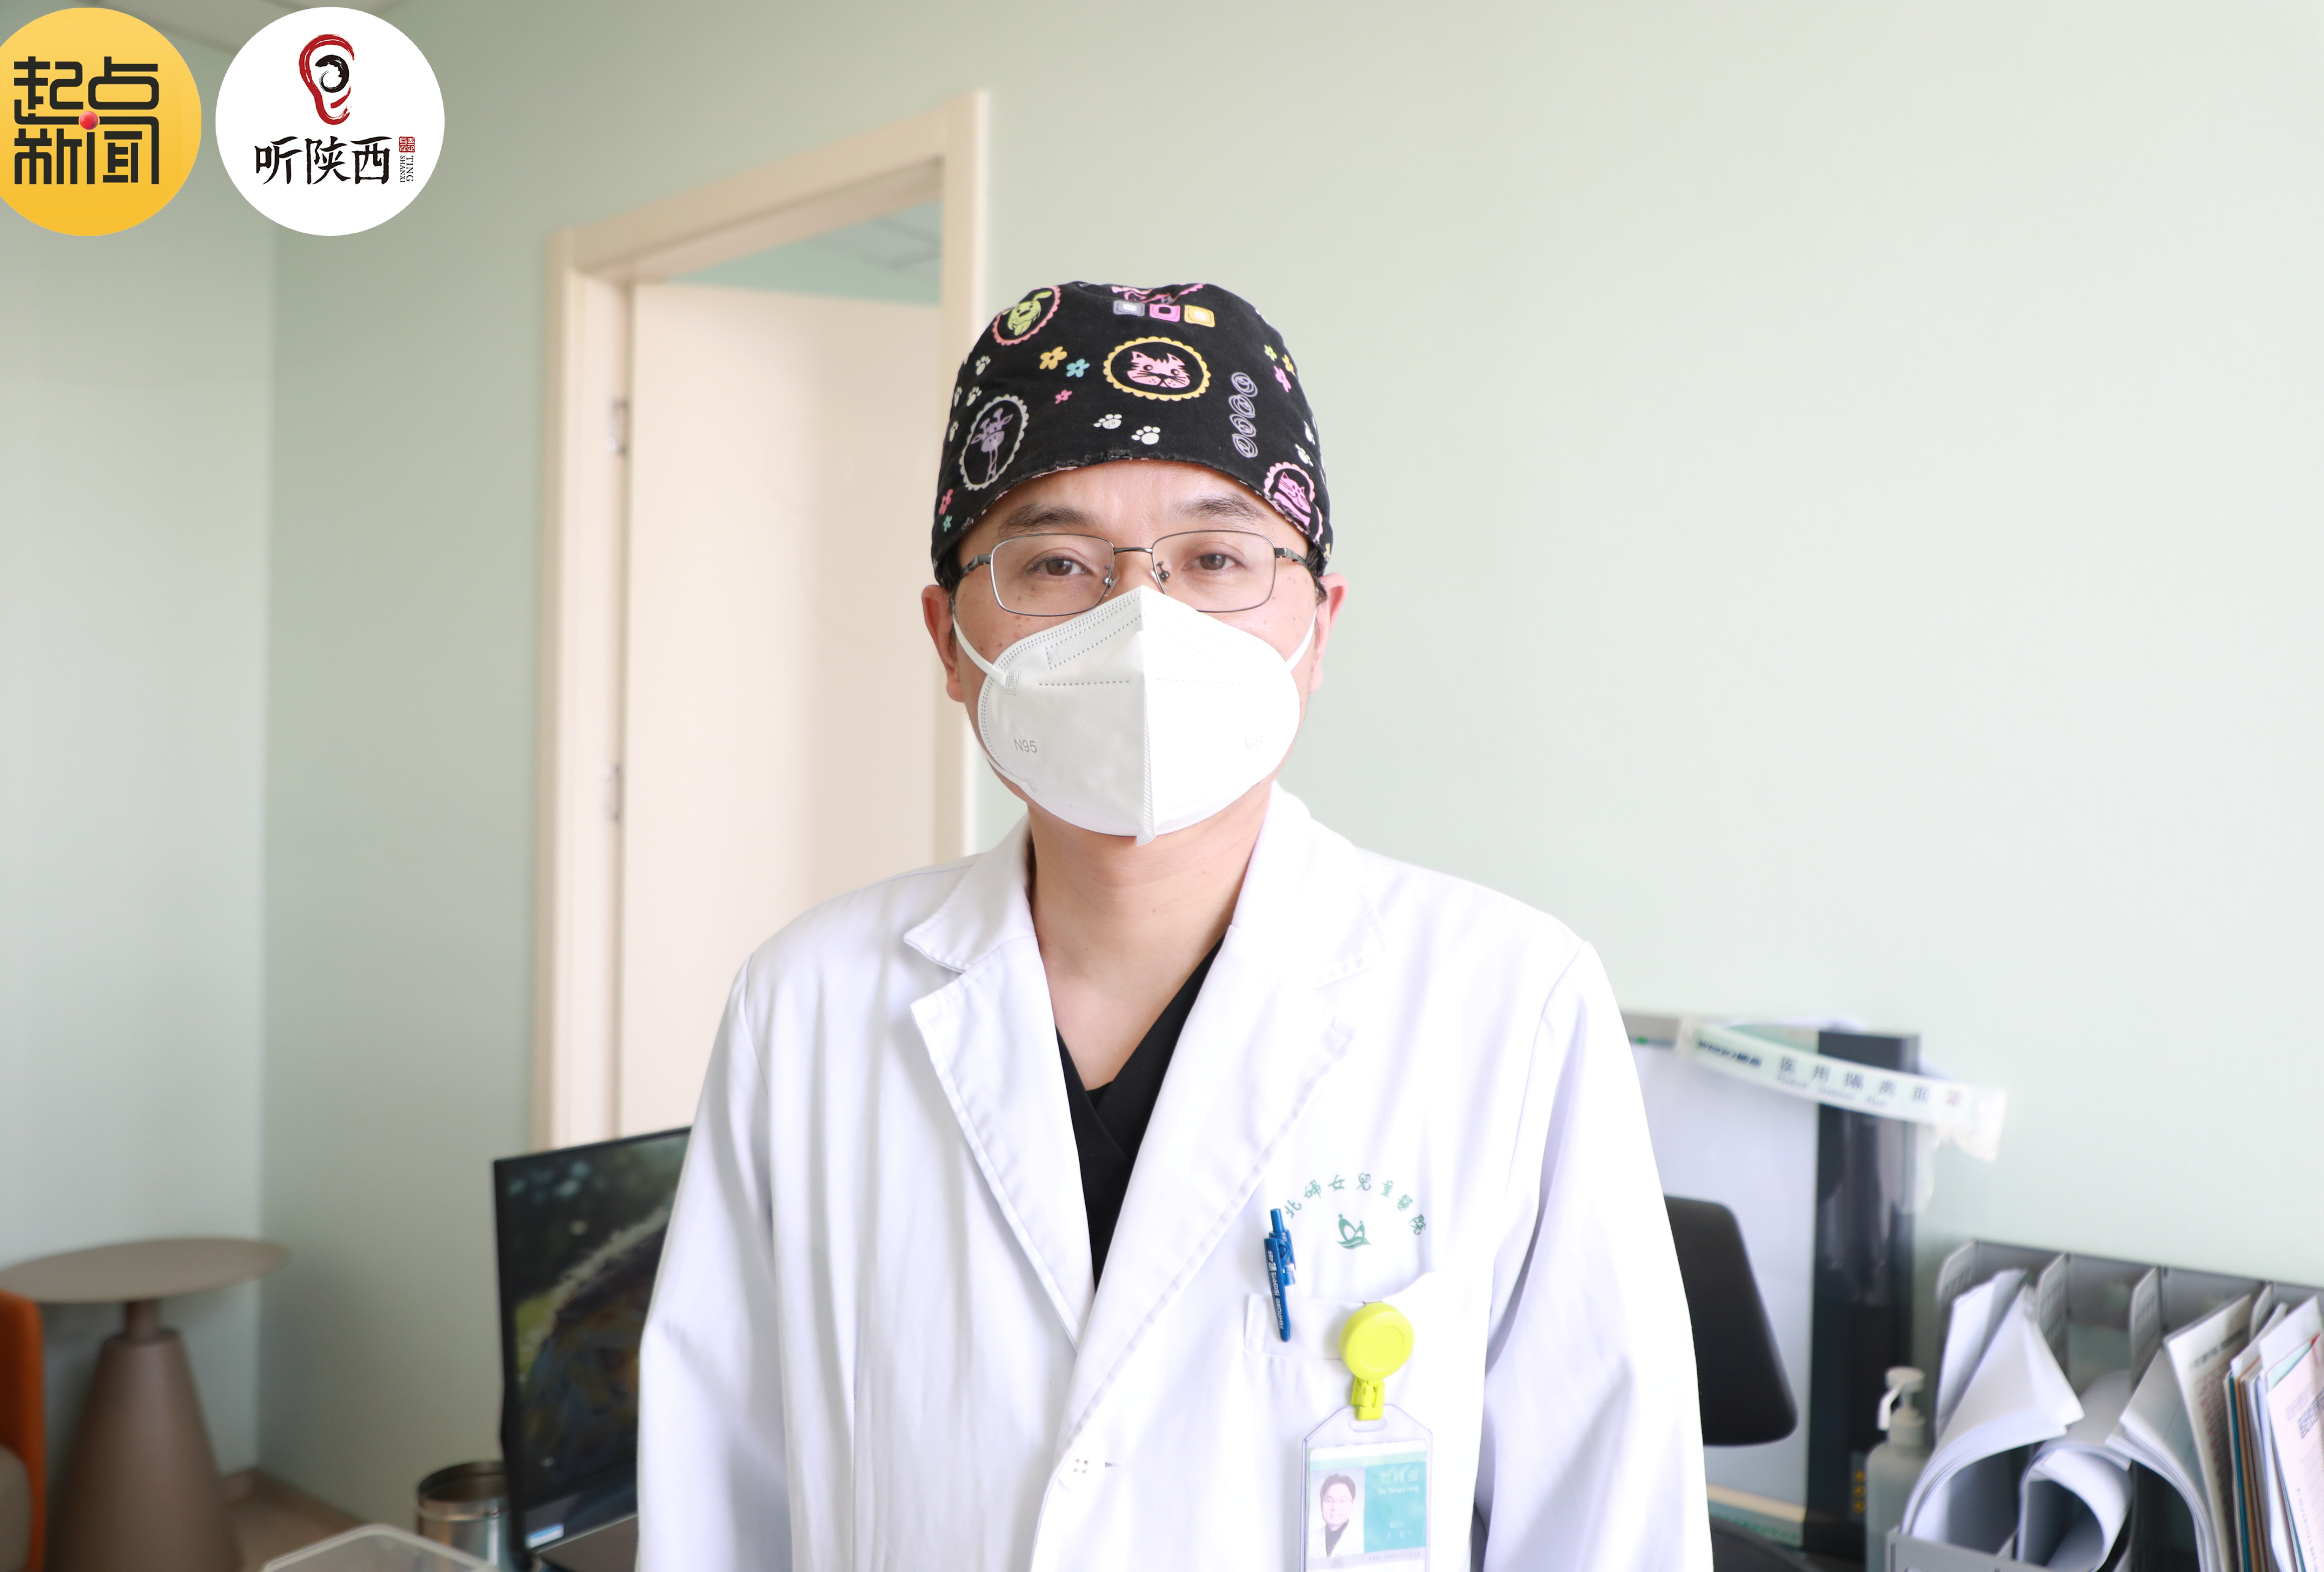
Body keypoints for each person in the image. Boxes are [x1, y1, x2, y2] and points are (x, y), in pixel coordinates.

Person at [638, 281, 1706, 1569]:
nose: (1140, 622)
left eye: (1217, 559)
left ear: (1318, 628)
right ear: (949, 639)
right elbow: (717, 1502)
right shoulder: (807, 1004)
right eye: (1055, 563)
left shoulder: (1511, 1004)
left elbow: (1608, 1524)